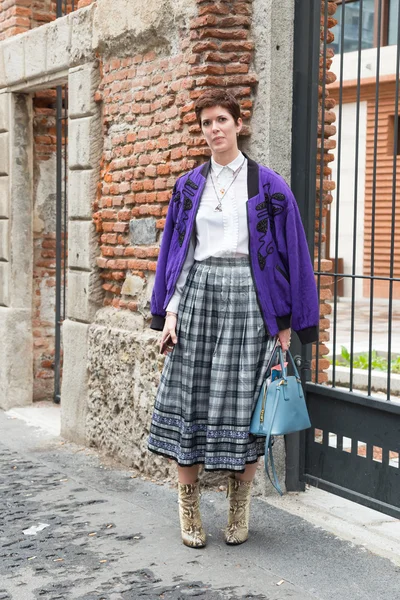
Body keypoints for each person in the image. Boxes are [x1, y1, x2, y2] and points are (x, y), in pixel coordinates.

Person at [148, 89, 319, 548]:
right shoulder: (188, 187)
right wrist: (169, 312)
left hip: (250, 303)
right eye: (206, 123)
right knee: (190, 404)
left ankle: (239, 507)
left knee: (246, 409)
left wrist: (286, 324)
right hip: (199, 299)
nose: (214, 129)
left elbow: (292, 256)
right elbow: (177, 257)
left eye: (222, 119)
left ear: (239, 124)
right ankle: (188, 508)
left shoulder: (269, 186)